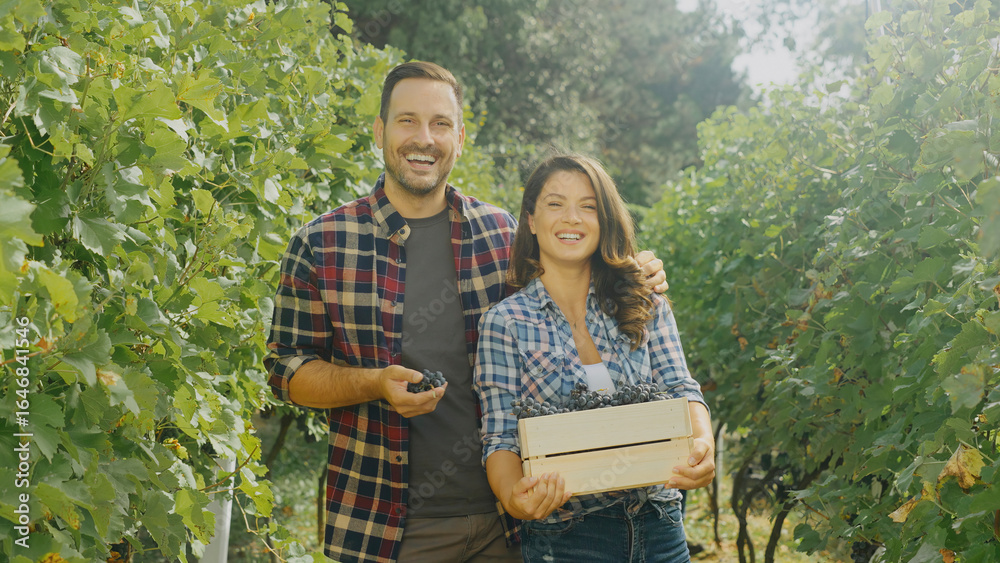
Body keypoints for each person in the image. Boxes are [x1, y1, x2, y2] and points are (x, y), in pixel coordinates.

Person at [264, 62, 669, 563]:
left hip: (517, 521)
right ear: (380, 130)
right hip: (388, 524)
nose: (424, 138)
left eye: (439, 124)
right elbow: (286, 371)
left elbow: (580, 277)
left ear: (459, 138)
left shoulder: (501, 235)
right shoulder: (321, 244)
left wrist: (640, 269)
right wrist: (371, 384)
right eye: (407, 120)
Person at [474, 154, 715, 562]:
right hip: (567, 538)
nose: (572, 218)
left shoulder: (644, 302)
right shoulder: (505, 323)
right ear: (531, 219)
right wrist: (516, 499)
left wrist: (703, 442)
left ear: (604, 219)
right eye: (555, 204)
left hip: (660, 525)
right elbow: (500, 438)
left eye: (588, 206)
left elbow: (681, 388)